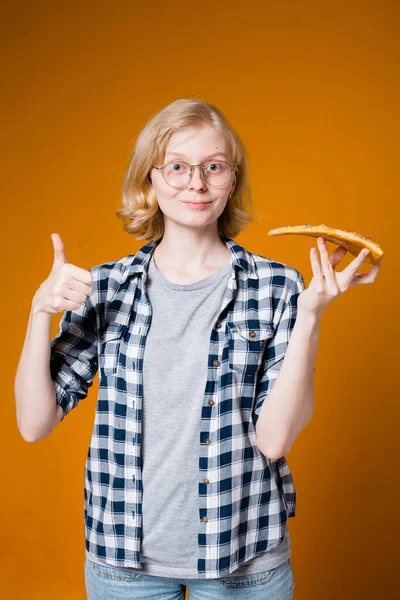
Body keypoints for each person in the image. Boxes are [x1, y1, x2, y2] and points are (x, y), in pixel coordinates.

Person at [15, 97, 380, 600]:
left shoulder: (278, 287)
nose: (196, 183)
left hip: (245, 561)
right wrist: (40, 313)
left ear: (232, 179)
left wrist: (311, 313)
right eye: (178, 167)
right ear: (150, 179)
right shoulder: (104, 287)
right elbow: (34, 424)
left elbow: (274, 440)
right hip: (124, 564)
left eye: (214, 167)